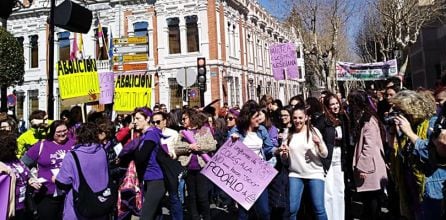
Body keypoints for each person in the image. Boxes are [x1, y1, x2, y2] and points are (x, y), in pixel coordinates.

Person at [389, 90, 438, 219]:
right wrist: (394, 133)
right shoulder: (411, 125)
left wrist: (410, 133)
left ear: (411, 109)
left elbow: (430, 154)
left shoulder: (430, 124)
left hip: (428, 185)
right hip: (410, 184)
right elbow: (401, 154)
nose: (400, 115)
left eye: (401, 111)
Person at [279, 104, 328, 220]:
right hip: (295, 174)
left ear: (306, 118)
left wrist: (319, 144)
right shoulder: (289, 134)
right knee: (292, 210)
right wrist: (284, 154)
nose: (297, 121)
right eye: (295, 118)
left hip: (314, 173)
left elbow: (325, 154)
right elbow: (284, 159)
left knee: (319, 209)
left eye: (300, 118)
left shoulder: (313, 131)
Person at [228, 100, 275, 220]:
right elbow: (227, 153)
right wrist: (232, 142)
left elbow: (269, 149)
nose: (259, 119)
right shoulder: (236, 131)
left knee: (264, 211)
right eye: (256, 117)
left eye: (259, 115)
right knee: (244, 211)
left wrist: (278, 150)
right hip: (242, 175)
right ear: (248, 117)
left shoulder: (262, 130)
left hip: (259, 175)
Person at [55, 122, 111, 220]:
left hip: (79, 206)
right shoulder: (102, 151)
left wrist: (55, 178)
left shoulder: (72, 156)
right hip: (100, 202)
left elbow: (62, 183)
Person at [21, 120, 75, 220]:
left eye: (65, 130)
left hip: (70, 194)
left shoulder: (74, 144)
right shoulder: (41, 146)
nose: (62, 134)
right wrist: (30, 180)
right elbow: (22, 165)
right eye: (58, 132)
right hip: (47, 194)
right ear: (52, 132)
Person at [348, 90, 388, 220]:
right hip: (370, 165)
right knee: (369, 201)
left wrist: (363, 166)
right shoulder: (364, 118)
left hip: (371, 166)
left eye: (352, 103)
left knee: (371, 201)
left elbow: (368, 146)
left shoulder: (368, 121)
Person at [172, 108, 217, 220]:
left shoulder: (205, 130)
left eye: (184, 118)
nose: (182, 121)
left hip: (202, 168)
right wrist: (189, 147)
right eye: (182, 119)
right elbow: (177, 148)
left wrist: (198, 146)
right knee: (191, 196)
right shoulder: (182, 133)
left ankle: (206, 217)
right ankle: (195, 217)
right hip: (188, 168)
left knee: (202, 196)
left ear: (192, 118)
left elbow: (212, 145)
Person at [315, 92, 351, 220]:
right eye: (332, 104)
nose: (335, 107)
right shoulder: (322, 121)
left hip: (340, 158)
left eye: (337, 103)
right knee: (329, 191)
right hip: (327, 158)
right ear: (327, 106)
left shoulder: (343, 118)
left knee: (340, 190)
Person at [151, 111, 183, 220]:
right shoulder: (150, 134)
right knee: (157, 198)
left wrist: (172, 154)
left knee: (174, 197)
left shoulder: (173, 133)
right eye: (153, 122)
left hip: (170, 168)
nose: (155, 124)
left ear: (164, 122)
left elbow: (178, 149)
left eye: (158, 122)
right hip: (156, 170)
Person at [0, 130, 31, 220]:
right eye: (9, 147)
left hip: (21, 206)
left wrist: (30, 180)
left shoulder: (14, 158)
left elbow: (25, 172)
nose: (12, 149)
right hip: (6, 209)